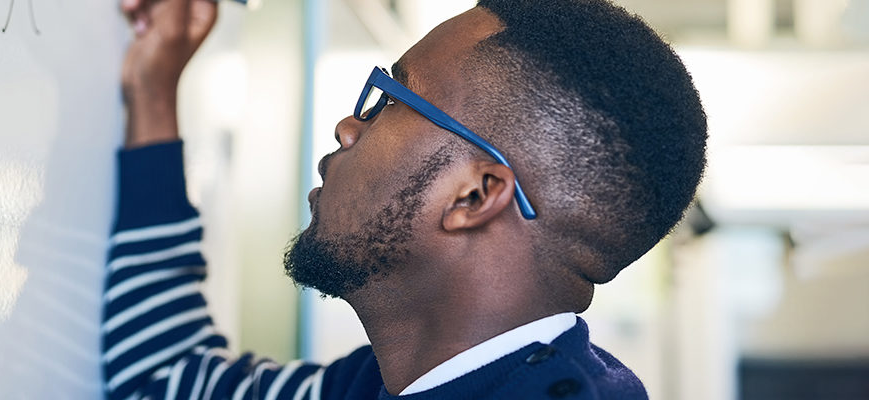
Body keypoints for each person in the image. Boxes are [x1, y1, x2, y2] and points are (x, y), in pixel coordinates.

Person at [103, 0, 707, 398]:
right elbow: (164, 378)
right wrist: (155, 87)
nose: (348, 126)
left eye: (393, 98)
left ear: (475, 194)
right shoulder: (406, 381)